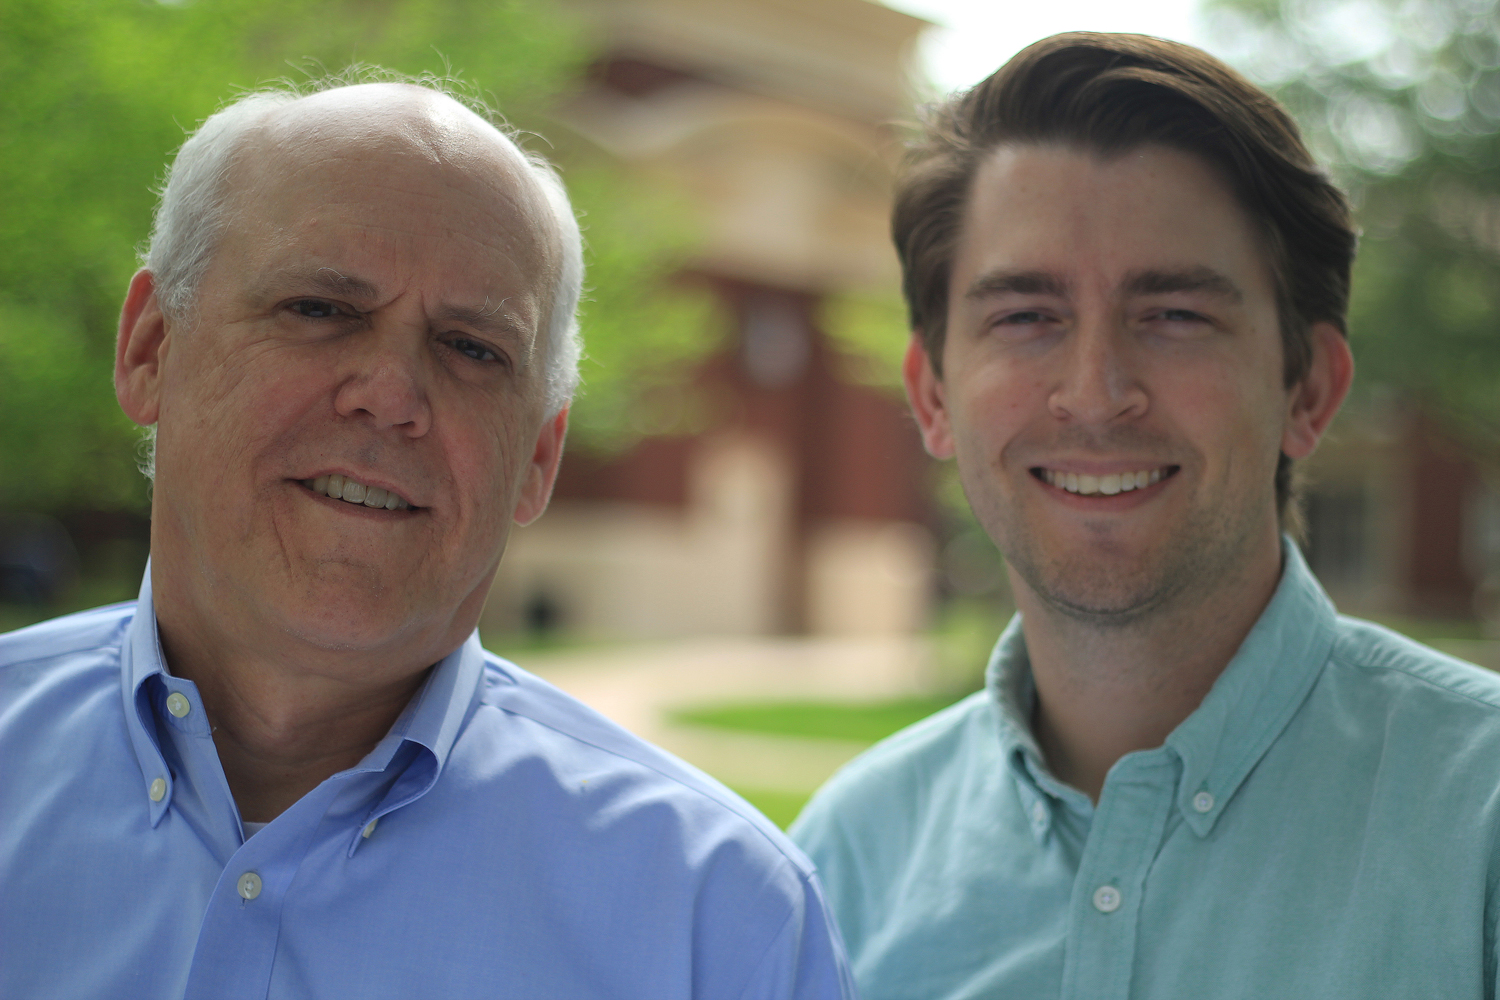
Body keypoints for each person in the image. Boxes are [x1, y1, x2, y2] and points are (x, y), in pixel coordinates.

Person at [0, 75, 854, 1000]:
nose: (392, 394)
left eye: (472, 349)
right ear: (150, 350)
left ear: (537, 457)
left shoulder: (720, 922)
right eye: (321, 310)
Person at [790, 31, 1500, 998]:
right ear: (932, 396)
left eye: (1174, 314)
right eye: (1027, 316)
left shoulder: (1482, 828)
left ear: (1309, 390)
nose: (1095, 392)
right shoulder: (844, 866)